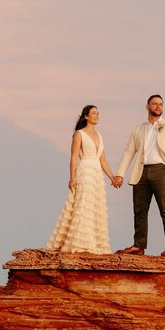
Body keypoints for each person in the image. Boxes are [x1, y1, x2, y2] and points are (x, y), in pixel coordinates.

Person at [112, 95, 165, 257]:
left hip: (162, 171)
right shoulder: (138, 129)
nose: (158, 106)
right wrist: (120, 174)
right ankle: (139, 245)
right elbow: (129, 151)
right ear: (147, 106)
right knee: (139, 210)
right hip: (141, 172)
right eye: (154, 104)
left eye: (160, 104)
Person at [45, 104, 114, 253]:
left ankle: (94, 244)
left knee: (96, 207)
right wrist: (72, 178)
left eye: (98, 113)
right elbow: (74, 157)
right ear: (86, 116)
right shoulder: (79, 134)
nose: (97, 116)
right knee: (84, 206)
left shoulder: (100, 136)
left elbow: (103, 161)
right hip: (85, 172)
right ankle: (81, 244)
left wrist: (112, 178)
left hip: (97, 174)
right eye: (94, 113)